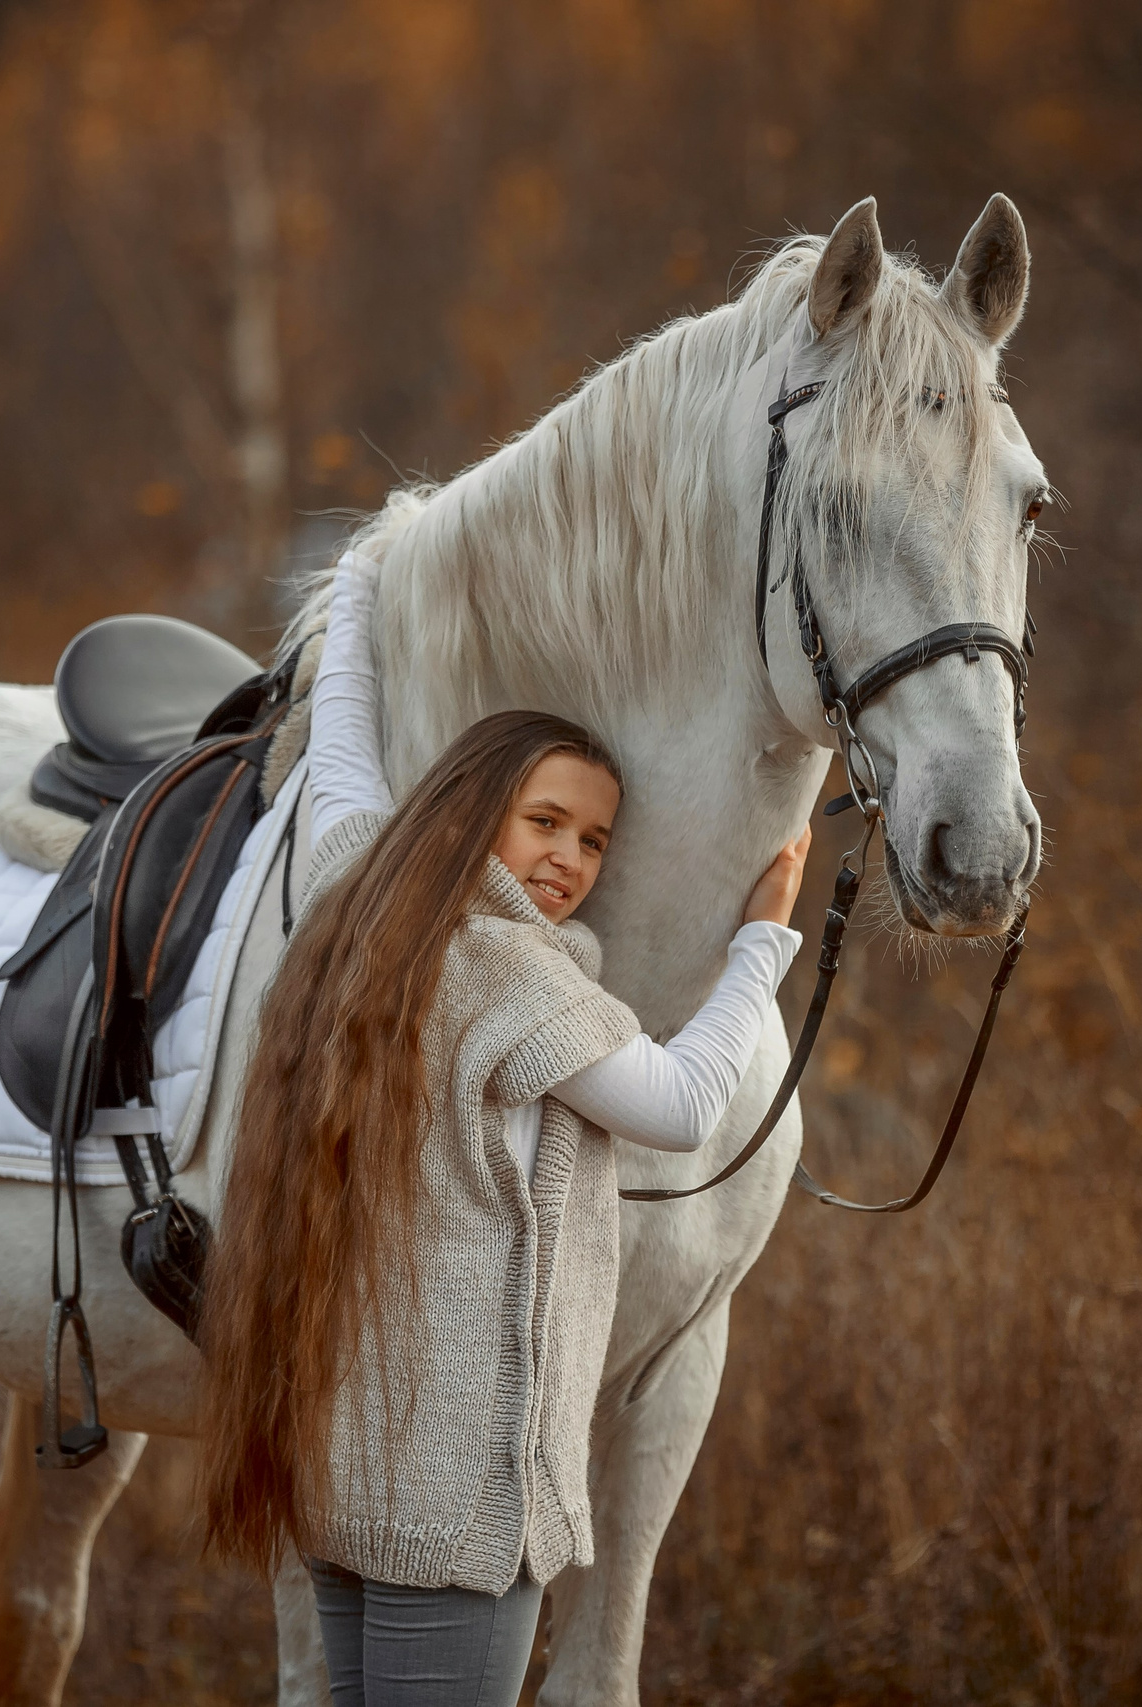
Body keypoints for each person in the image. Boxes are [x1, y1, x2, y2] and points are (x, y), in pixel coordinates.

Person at [198, 554, 810, 1707]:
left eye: (593, 842)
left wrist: (358, 604)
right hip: (456, 1507)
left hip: (345, 1481)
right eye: (544, 822)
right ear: (471, 812)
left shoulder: (352, 894)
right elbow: (679, 1109)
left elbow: (339, 765)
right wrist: (762, 945)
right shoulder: (509, 976)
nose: (569, 862)